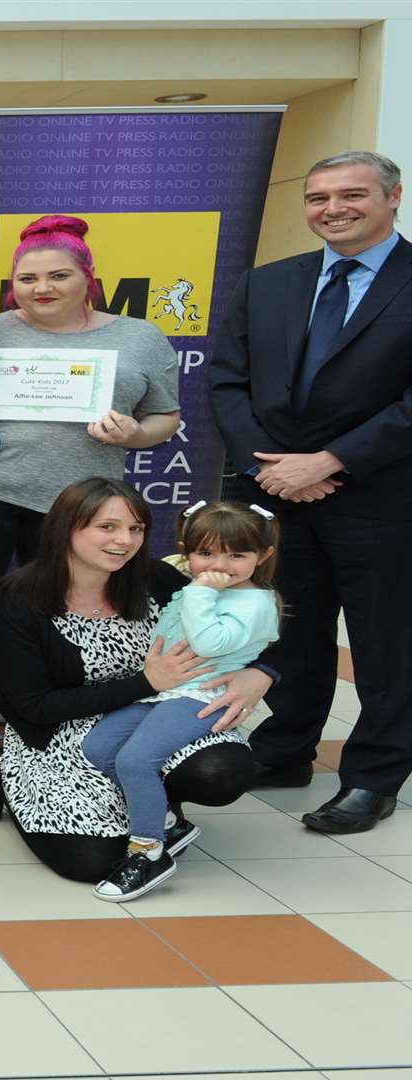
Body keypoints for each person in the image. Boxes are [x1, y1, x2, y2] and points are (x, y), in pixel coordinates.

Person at [0, 215, 183, 778]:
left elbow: (165, 415)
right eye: (26, 279)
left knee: (57, 614)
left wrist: (136, 435)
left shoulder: (138, 337)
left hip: (77, 504)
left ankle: (41, 717)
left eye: (58, 276)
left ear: (88, 277)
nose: (41, 288)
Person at [210, 149, 412, 835]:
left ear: (393, 197)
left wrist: (330, 460)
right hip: (273, 490)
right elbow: (227, 382)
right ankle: (287, 748)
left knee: (386, 643)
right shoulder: (267, 284)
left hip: (382, 496)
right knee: (287, 628)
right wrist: (269, 468)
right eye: (319, 197)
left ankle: (374, 777)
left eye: (352, 194)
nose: (333, 209)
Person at [0, 478, 277, 883]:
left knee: (220, 770)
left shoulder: (155, 577)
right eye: (107, 527)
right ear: (67, 528)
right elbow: (31, 707)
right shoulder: (16, 599)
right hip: (58, 732)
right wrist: (146, 683)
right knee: (91, 864)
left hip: (161, 709)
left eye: (136, 528)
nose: (124, 541)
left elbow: (250, 621)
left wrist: (261, 673)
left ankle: (158, 814)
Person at [79, 501, 282, 900]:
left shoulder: (254, 603)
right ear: (186, 552)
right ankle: (168, 820)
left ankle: (148, 850)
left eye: (237, 555)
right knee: (98, 747)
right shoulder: (196, 582)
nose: (219, 565)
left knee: (136, 760)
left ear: (264, 556)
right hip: (162, 688)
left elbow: (210, 642)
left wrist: (202, 592)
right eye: (206, 553)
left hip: (201, 694)